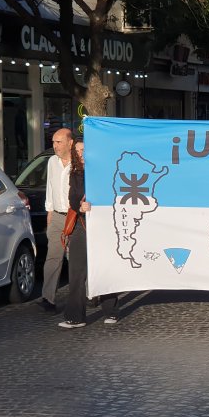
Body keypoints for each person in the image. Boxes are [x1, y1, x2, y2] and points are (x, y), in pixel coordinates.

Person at [58, 138, 120, 329]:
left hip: (102, 225)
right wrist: (80, 206)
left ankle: (111, 310)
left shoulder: (103, 171)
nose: (80, 153)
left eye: (83, 149)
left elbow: (113, 194)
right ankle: (76, 316)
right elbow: (72, 197)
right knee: (76, 271)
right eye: (77, 151)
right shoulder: (74, 173)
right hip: (81, 225)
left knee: (104, 267)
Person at [39, 128, 74, 312]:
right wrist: (49, 210)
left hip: (75, 216)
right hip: (58, 216)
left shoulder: (79, 162)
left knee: (76, 258)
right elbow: (50, 186)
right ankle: (48, 297)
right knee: (53, 257)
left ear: (70, 143)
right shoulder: (52, 162)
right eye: (53, 142)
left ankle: (88, 294)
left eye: (59, 142)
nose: (55, 146)